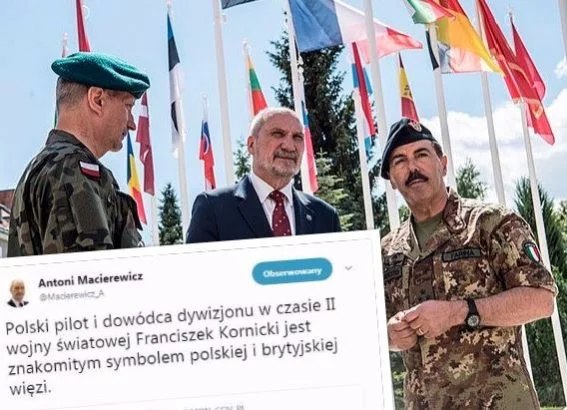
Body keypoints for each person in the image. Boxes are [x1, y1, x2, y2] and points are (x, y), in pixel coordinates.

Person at [380, 118, 557, 408]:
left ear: (443, 164)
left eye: (421, 154)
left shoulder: (491, 223)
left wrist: (460, 312)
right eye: (400, 161)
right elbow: (372, 326)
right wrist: (390, 335)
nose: (412, 167)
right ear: (391, 178)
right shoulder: (387, 251)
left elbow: (541, 300)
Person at [8, 52, 150, 257]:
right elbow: (89, 274)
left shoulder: (39, 168)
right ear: (97, 100)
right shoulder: (72, 169)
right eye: (128, 106)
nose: (132, 124)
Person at [186, 107, 341, 243]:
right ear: (252, 145)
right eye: (277, 134)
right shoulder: (213, 208)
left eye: (297, 137)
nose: (289, 146)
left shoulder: (326, 216)